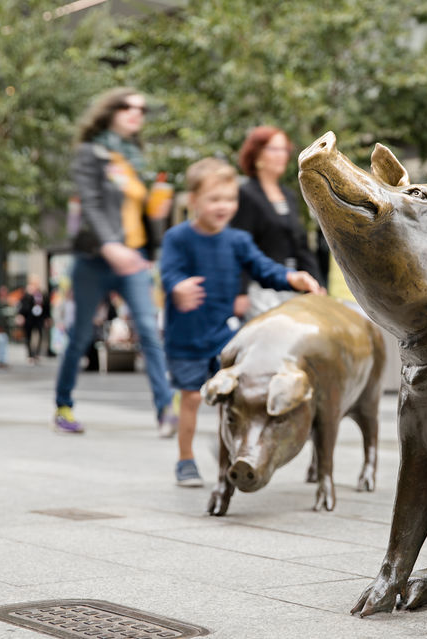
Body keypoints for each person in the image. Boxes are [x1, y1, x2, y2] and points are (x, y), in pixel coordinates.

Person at [159, 157, 322, 487]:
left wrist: (293, 278)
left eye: (230, 199)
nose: (223, 206)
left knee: (236, 393)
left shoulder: (237, 241)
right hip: (186, 338)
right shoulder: (178, 238)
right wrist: (177, 287)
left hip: (223, 335)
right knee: (191, 397)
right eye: (214, 199)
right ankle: (185, 459)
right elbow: (169, 272)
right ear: (193, 201)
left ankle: (230, 451)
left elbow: (264, 269)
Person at [52, 87, 173, 435]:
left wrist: (157, 211)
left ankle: (166, 410)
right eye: (127, 107)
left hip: (132, 258)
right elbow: (90, 203)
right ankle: (63, 406)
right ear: (109, 111)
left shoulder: (135, 158)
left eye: (141, 108)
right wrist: (110, 246)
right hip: (96, 259)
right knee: (80, 336)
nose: (137, 113)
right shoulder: (91, 153)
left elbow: (140, 212)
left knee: (149, 332)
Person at [231, 126, 323, 319]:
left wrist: (317, 284)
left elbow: (302, 246)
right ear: (256, 155)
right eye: (274, 149)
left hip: (292, 285)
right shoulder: (246, 195)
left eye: (284, 150)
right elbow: (240, 246)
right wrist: (240, 292)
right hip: (261, 290)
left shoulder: (289, 195)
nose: (282, 155)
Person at [17, 280, 49, 365]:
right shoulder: (27, 295)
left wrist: (47, 318)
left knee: (40, 335)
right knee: (28, 337)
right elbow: (22, 306)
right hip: (29, 319)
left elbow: (46, 306)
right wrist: (20, 316)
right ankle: (30, 355)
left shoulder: (41, 295)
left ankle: (37, 354)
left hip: (39, 318)